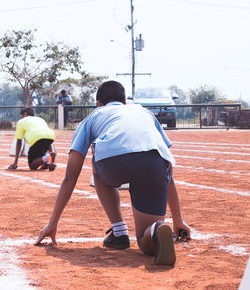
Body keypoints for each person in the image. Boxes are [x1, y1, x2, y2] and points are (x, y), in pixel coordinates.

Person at [35, 81, 190, 266]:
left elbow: (71, 176)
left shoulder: (94, 116)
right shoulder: (143, 112)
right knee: (145, 241)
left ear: (98, 103)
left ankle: (119, 232)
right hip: (155, 162)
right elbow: (167, 171)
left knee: (96, 162)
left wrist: (52, 223)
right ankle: (156, 230)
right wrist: (178, 219)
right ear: (124, 102)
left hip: (112, 162)